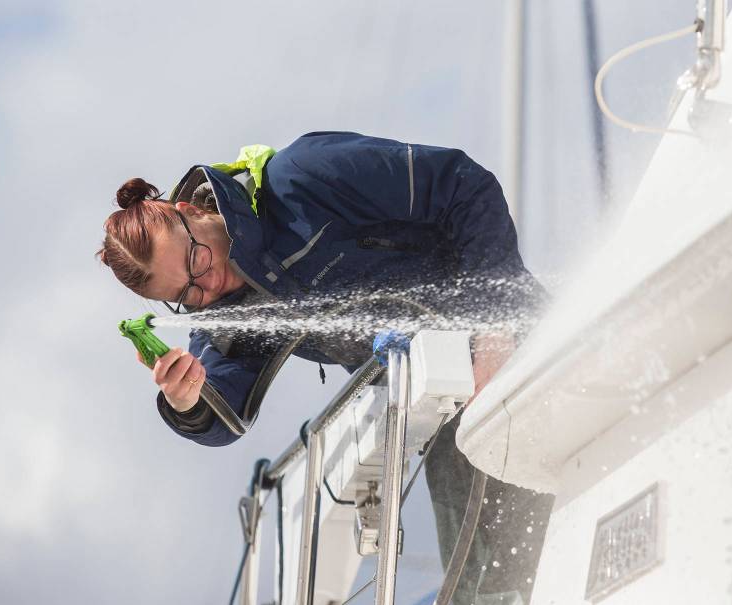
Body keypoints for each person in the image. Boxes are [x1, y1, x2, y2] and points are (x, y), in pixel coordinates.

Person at [98, 132, 552, 603]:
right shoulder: (228, 311)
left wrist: (494, 330)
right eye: (184, 295)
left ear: (192, 211)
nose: (208, 287)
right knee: (484, 587)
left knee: (507, 570)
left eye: (196, 260)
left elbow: (462, 183)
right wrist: (186, 400)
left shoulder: (304, 175)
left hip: (518, 340)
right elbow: (222, 413)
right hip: (446, 407)